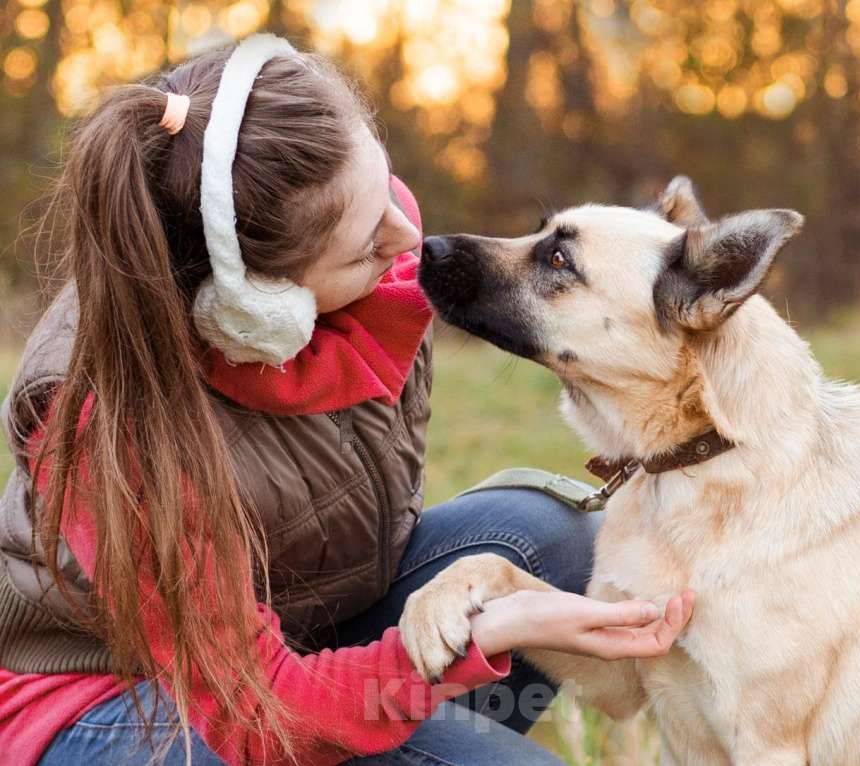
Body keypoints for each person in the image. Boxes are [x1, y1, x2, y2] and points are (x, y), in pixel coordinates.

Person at [0, 34, 693, 766]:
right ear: (258, 305)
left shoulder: (375, 250)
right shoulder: (103, 419)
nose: (408, 239)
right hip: (113, 696)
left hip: (292, 638)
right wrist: (485, 631)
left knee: (541, 535)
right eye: (366, 244)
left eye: (385, 185)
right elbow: (262, 713)